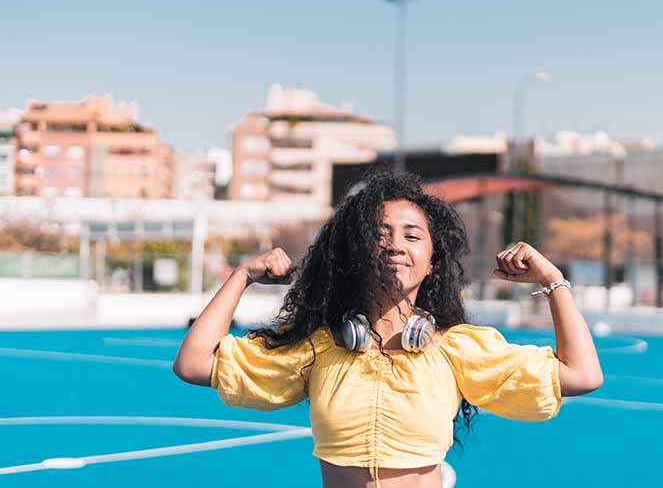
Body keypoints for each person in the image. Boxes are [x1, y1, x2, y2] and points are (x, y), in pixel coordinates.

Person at [173, 171, 603, 488]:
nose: (396, 244)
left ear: (433, 261)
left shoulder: (457, 349)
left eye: (412, 236)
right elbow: (193, 364)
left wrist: (552, 280)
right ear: (357, 253)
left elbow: (582, 374)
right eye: (381, 234)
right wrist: (242, 275)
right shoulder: (319, 348)